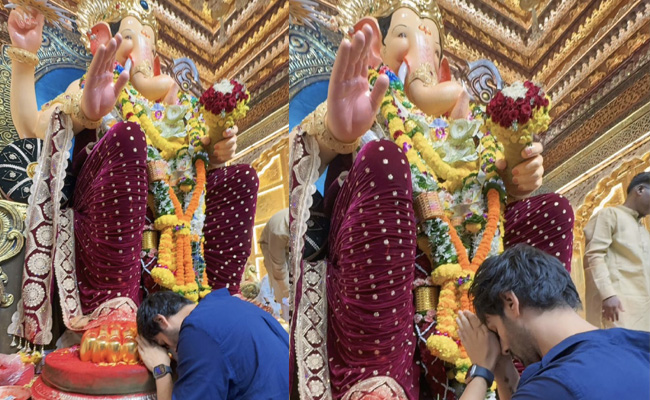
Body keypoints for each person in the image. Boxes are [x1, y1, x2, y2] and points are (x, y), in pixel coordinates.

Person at [288, 0, 574, 397]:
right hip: (385, 277)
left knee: (551, 210)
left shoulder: (471, 138)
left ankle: (543, 370)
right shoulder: (365, 102)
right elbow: (315, 145)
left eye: (434, 47)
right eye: (404, 34)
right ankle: (376, 380)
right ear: (378, 50)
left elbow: (491, 197)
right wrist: (339, 129)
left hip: (473, 274)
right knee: (384, 160)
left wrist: (516, 174)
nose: (422, 52)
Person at [456, 244, 650, 400]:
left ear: (510, 302)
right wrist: (501, 365)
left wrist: (481, 371)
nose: (504, 348)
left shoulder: (554, 386)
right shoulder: (639, 345)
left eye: (496, 329)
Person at [136, 290, 289, 400]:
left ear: (161, 321)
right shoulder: (231, 304)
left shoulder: (196, 330)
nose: (173, 350)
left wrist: (161, 369)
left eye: (164, 344)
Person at [583, 172, 650, 331]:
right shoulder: (609, 214)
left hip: (645, 311)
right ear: (640, 190)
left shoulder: (644, 231)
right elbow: (594, 255)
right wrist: (608, 294)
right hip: (618, 309)